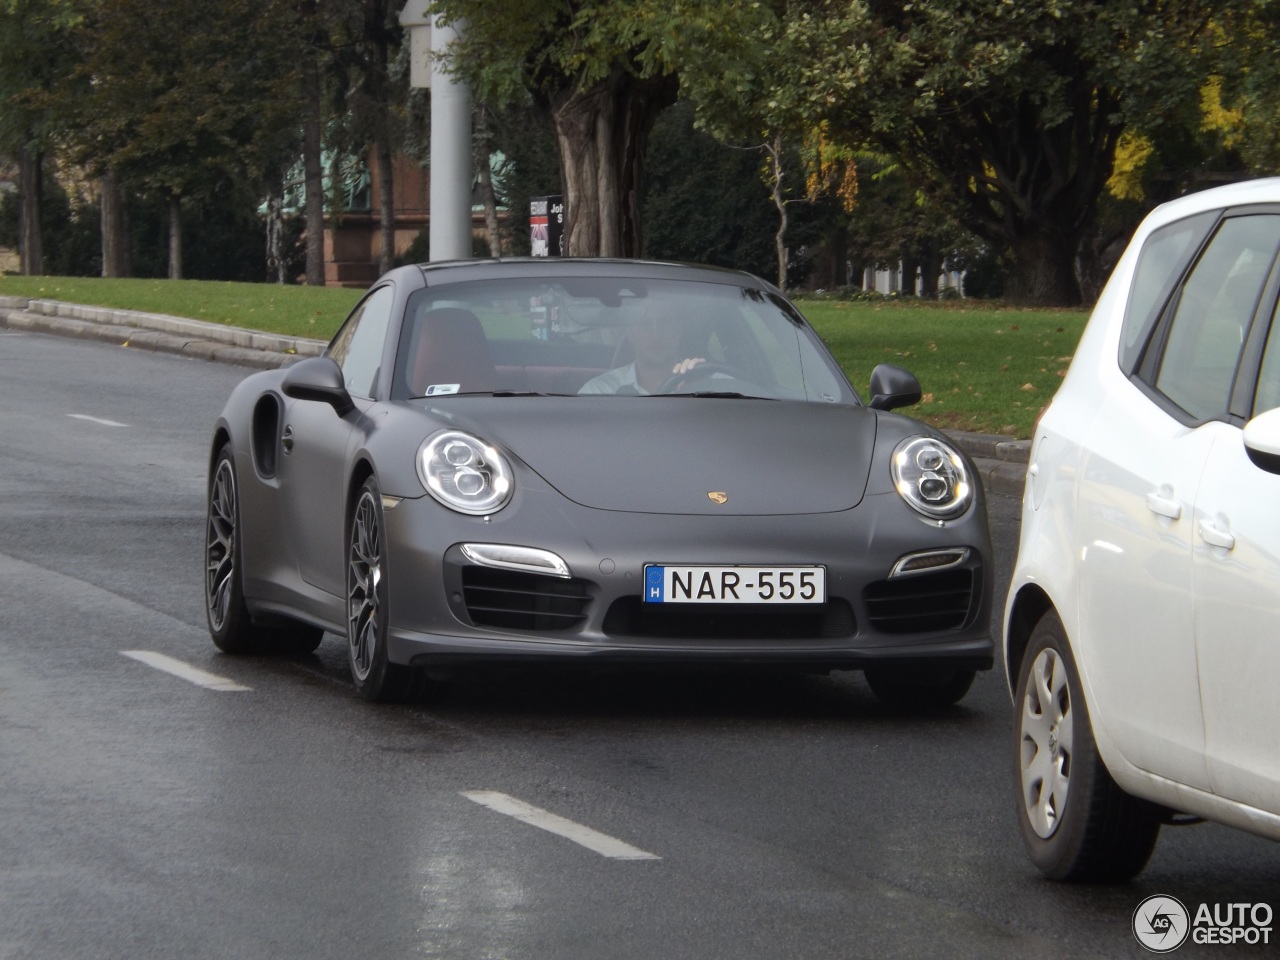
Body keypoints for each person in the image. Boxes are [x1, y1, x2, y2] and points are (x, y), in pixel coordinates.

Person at [578, 311, 705, 394]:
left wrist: (700, 389)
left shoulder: (712, 383)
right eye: (645, 324)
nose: (656, 335)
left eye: (665, 323)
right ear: (631, 334)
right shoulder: (599, 392)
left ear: (678, 331)